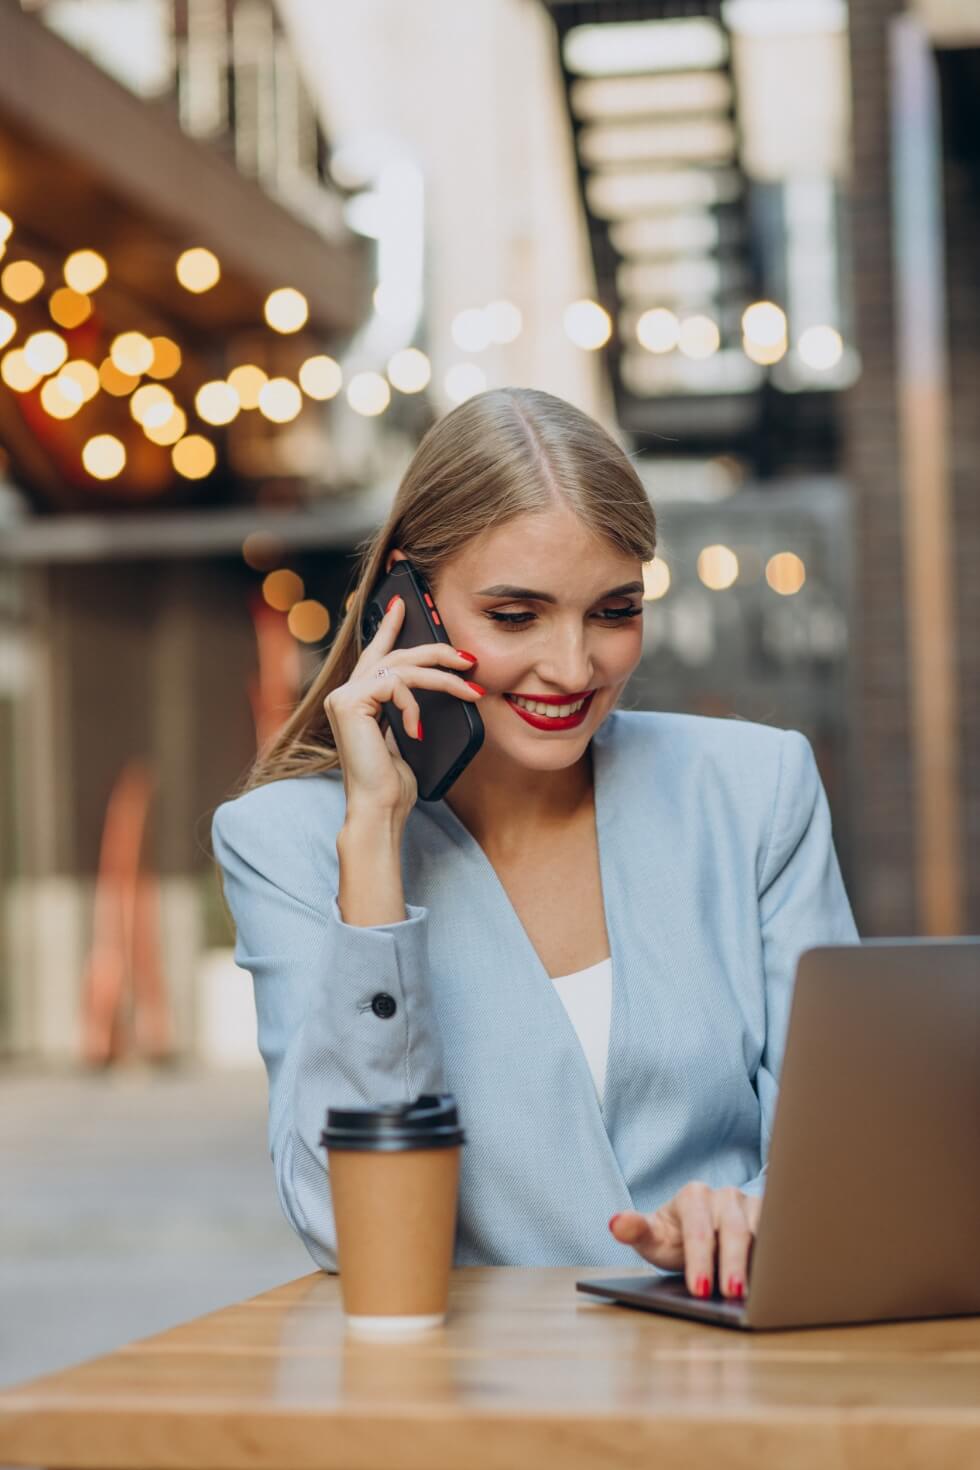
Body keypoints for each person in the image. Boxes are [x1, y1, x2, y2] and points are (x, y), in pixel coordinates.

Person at [212, 386, 858, 1301]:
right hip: (479, 1411)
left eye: (614, 610)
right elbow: (341, 1225)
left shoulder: (756, 791)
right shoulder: (289, 841)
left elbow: (842, 1145)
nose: (572, 667)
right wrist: (373, 850)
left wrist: (760, 1212)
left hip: (735, 1380)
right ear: (410, 602)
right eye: (515, 616)